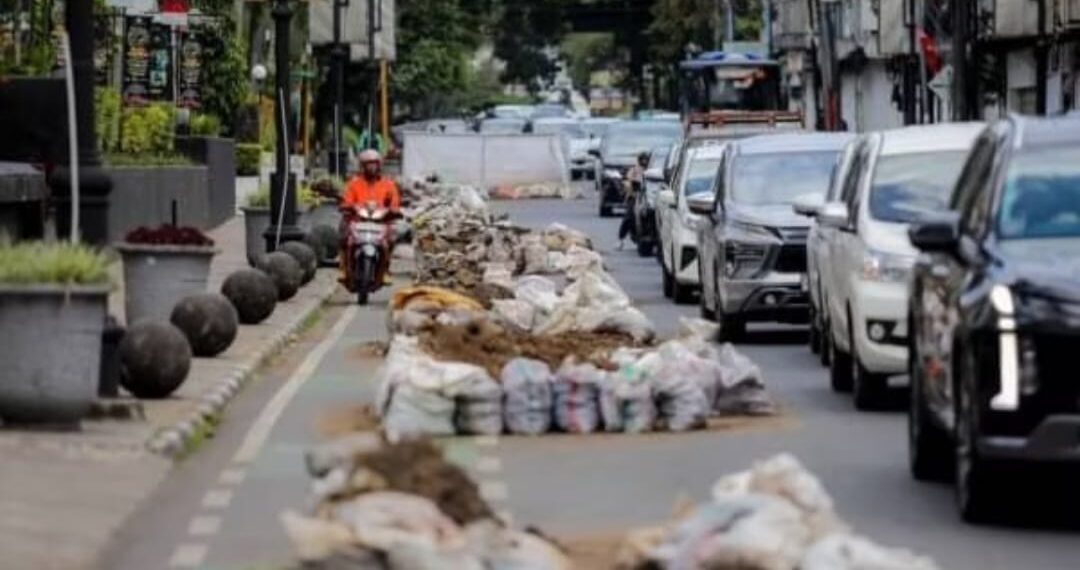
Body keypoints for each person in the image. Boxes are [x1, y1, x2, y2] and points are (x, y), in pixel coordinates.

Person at [340, 149, 401, 285]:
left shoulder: (388, 184)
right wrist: (348, 207)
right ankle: (344, 269)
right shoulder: (354, 184)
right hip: (357, 219)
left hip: (381, 221)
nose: (371, 167)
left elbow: (394, 202)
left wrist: (393, 211)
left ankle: (385, 270)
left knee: (390, 239)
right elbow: (347, 201)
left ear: (379, 165)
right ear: (362, 166)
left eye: (374, 164)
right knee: (345, 238)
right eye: (368, 164)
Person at [618, 152, 650, 250]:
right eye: (642, 160)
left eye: (646, 160)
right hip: (635, 197)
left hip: (649, 197)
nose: (644, 162)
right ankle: (621, 239)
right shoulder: (634, 170)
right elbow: (628, 181)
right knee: (629, 216)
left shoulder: (651, 170)